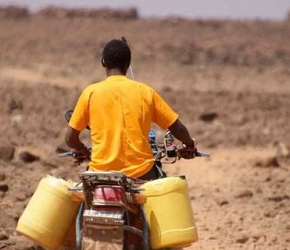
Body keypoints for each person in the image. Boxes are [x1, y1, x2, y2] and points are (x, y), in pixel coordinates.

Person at [65, 38, 197, 180]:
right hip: (142, 173)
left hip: (100, 174)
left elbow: (70, 139)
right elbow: (177, 127)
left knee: (80, 198)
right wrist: (189, 144)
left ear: (103, 62)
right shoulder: (146, 92)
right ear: (128, 64)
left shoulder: (90, 93)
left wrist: (82, 150)